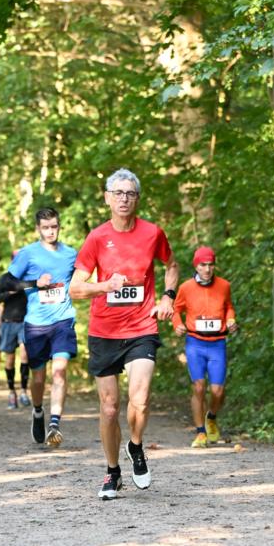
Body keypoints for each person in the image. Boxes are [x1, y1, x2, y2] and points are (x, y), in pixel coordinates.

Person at [69, 168, 179, 499]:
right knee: (108, 408)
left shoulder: (152, 233)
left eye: (130, 193)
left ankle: (135, 445)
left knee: (140, 399)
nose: (124, 199)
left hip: (142, 327)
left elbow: (171, 265)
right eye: (118, 193)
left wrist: (167, 297)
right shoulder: (96, 238)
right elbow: (75, 289)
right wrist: (105, 285)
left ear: (137, 199)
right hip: (104, 331)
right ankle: (112, 472)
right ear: (107, 198)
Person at [8, 207, 78, 447]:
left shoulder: (71, 254)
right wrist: (34, 283)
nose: (50, 231)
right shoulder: (27, 254)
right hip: (36, 324)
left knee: (59, 371)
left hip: (63, 320)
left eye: (54, 226)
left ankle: (55, 424)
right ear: (38, 228)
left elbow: (80, 279)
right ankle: (38, 410)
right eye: (46, 227)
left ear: (59, 226)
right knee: (38, 378)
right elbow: (9, 284)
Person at [173, 246, 237, 447]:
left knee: (217, 390)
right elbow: (176, 310)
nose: (207, 269)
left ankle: (211, 417)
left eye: (210, 265)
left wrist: (231, 319)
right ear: (196, 266)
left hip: (217, 343)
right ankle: (200, 432)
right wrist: (177, 324)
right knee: (199, 387)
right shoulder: (186, 287)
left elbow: (229, 307)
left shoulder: (224, 285)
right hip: (195, 343)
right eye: (203, 265)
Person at [0, 254, 31, 410]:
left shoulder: (30, 278)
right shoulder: (5, 279)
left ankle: (24, 391)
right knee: (9, 359)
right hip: (8, 323)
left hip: (25, 322)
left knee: (25, 355)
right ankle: (11, 392)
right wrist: (9, 293)